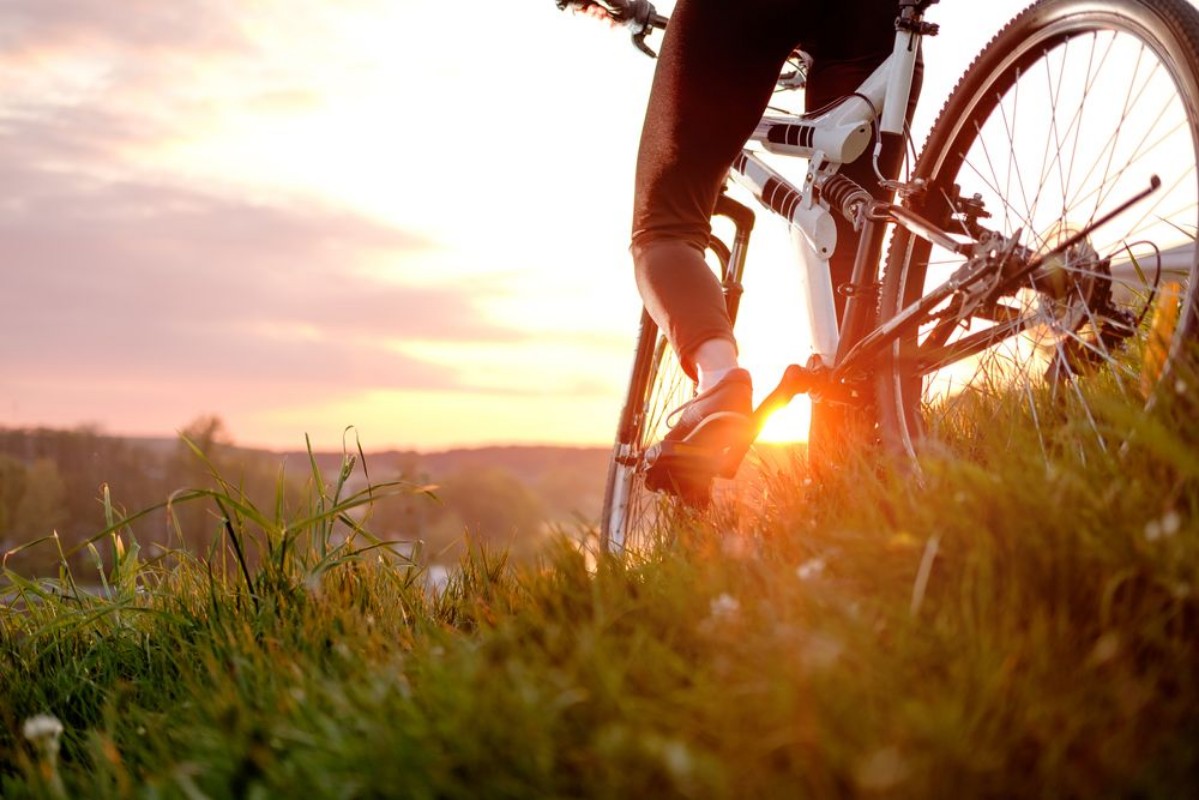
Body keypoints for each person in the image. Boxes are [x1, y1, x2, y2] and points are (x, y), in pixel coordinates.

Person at [567, 0, 921, 491]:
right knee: (850, 276)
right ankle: (853, 481)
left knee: (664, 226)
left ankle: (719, 381)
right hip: (877, 17)